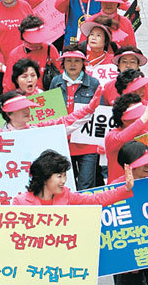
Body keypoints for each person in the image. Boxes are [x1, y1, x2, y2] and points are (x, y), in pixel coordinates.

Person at [113, 141, 148, 285]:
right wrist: (128, 257)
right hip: (129, 257)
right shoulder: (114, 189)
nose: (147, 165)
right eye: (143, 162)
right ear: (128, 165)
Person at [50, 45, 100, 190]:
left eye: (77, 61)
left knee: (86, 185)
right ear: (63, 63)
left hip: (87, 143)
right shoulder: (56, 82)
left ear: (83, 63)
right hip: (63, 142)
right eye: (68, 60)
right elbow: (51, 112)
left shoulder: (94, 83)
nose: (72, 64)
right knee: (67, 185)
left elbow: (100, 113)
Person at [12, 148, 134, 205]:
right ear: (44, 177)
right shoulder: (20, 202)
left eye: (65, 176)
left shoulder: (67, 196)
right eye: (59, 176)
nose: (63, 181)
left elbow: (96, 199)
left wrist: (126, 188)